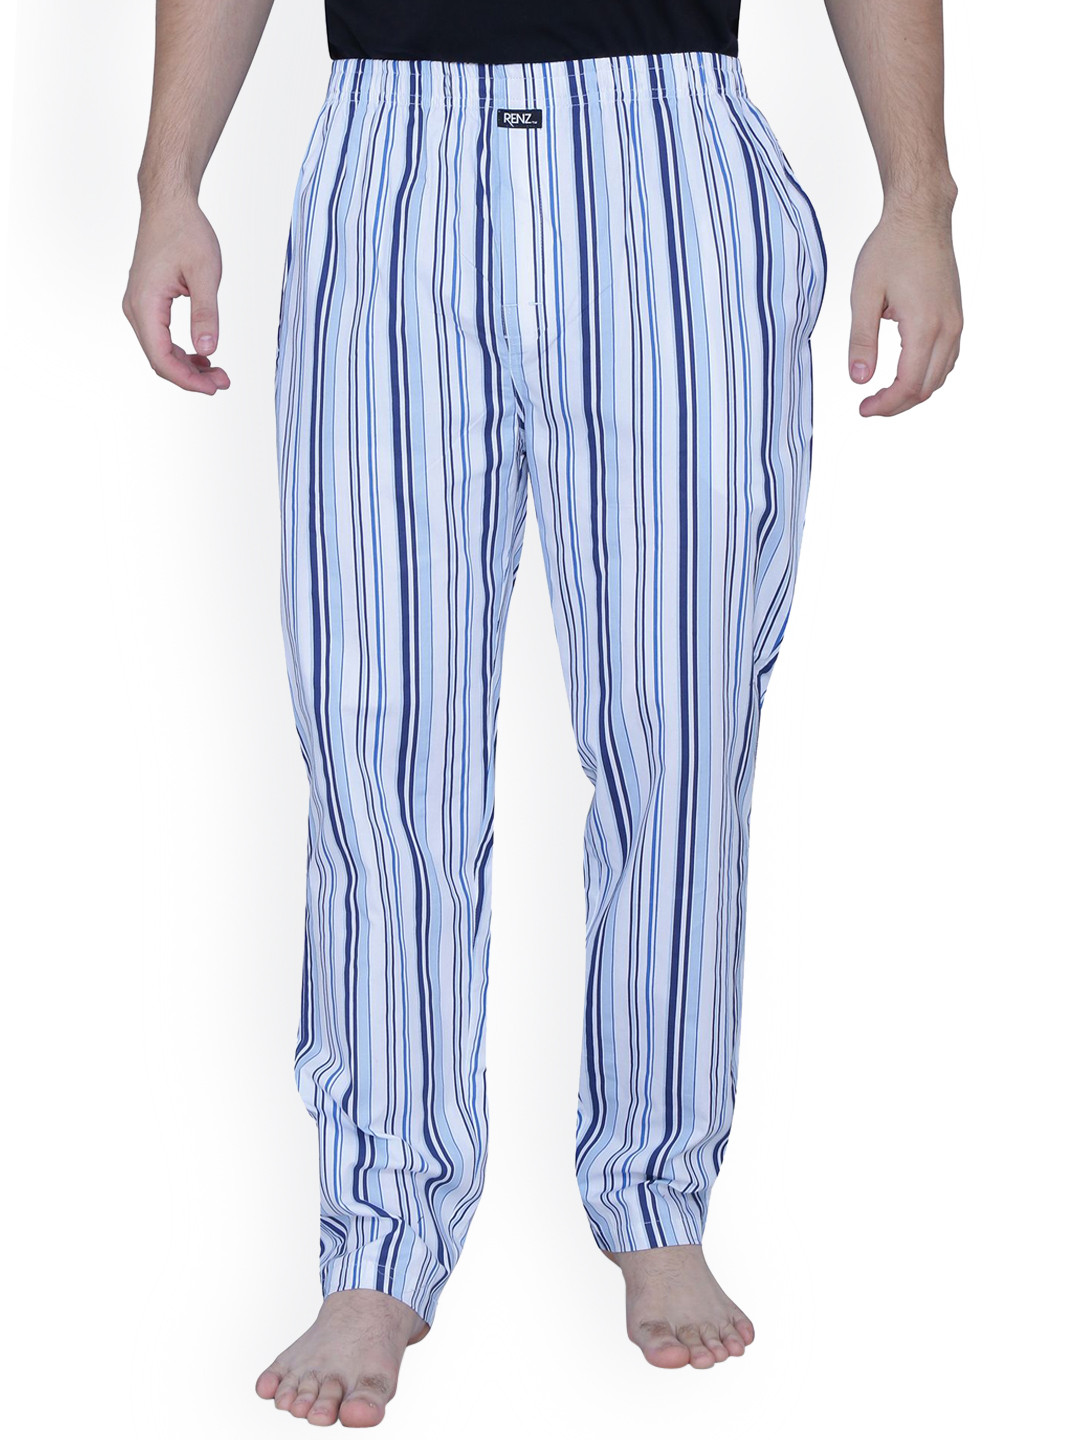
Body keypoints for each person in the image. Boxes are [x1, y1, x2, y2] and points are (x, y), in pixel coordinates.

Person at [123, 0, 962, 1426]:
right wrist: (168, 183)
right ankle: (381, 1236)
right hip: (391, 150)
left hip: (667, 157)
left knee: (678, 728)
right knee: (378, 737)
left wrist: (918, 196)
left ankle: (657, 1192)